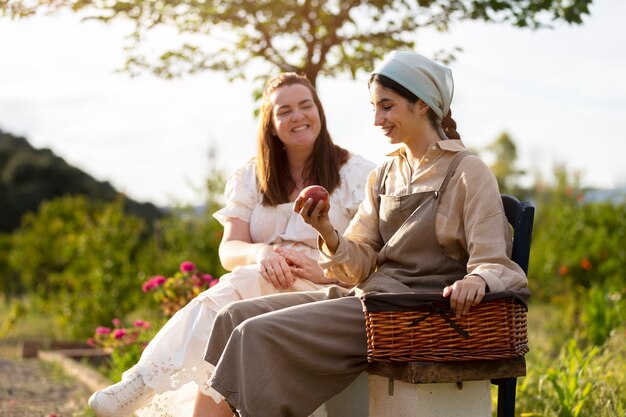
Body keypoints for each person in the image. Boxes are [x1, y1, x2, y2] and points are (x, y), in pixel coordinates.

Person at [202, 51, 530, 417]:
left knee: (255, 335)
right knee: (231, 317)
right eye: (375, 108)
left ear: (422, 104)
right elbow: (359, 263)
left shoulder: (468, 172)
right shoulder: (386, 172)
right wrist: (326, 229)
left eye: (386, 107)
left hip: (412, 313)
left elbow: (492, 259)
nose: (377, 120)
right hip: (371, 297)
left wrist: (477, 280)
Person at [87, 72, 375, 417]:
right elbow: (229, 249)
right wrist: (261, 252)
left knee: (240, 288)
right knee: (240, 295)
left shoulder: (358, 174)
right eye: (284, 111)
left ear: (320, 111)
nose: (298, 116)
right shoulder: (251, 176)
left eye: (305, 105)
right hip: (262, 284)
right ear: (270, 124)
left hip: (323, 289)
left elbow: (372, 258)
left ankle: (143, 381)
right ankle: (147, 381)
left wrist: (324, 270)